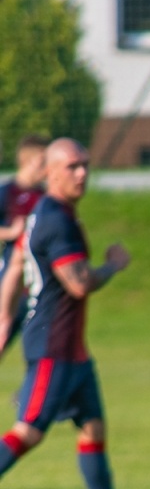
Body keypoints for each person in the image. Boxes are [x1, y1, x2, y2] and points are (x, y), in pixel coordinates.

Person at [0, 138, 150, 489]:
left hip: (72, 351)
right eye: (72, 166)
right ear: (50, 172)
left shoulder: (46, 212)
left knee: (93, 430)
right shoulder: (56, 220)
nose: (82, 173)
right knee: (27, 432)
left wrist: (3, 316)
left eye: (85, 165)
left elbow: (17, 261)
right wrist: (113, 266)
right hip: (53, 347)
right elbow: (79, 284)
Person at [0, 134, 50, 356]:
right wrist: (11, 233)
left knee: (42, 345)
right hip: (10, 280)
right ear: (31, 160)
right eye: (44, 162)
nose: (48, 169)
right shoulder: (6, 192)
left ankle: (32, 390)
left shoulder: (45, 197)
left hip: (38, 282)